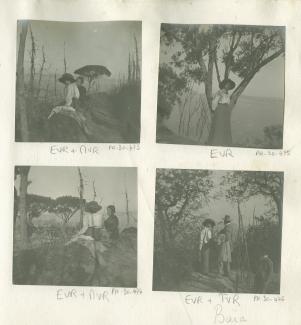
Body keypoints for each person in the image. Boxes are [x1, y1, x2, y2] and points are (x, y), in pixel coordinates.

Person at [208, 79, 236, 147]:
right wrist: (214, 109)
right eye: (227, 84)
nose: (228, 86)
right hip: (220, 110)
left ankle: (223, 143)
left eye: (229, 85)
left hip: (225, 111)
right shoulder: (220, 92)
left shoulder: (227, 93)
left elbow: (228, 102)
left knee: (224, 126)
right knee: (219, 125)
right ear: (224, 84)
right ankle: (216, 142)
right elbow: (214, 101)